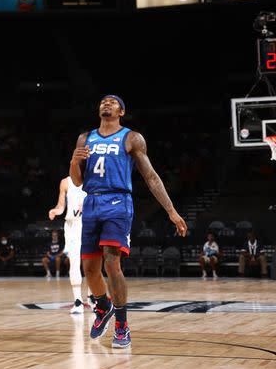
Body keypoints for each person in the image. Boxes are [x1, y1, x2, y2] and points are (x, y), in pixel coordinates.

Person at [70, 95, 187, 349]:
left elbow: (151, 177)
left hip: (118, 202)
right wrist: (73, 161)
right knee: (89, 269)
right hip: (91, 202)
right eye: (103, 101)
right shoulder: (84, 138)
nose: (106, 104)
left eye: (113, 102)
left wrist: (171, 211)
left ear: (122, 111)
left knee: (112, 262)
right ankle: (103, 306)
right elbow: (77, 181)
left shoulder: (131, 138)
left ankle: (122, 324)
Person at [48, 176, 87, 313]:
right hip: (72, 225)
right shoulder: (65, 182)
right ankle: (78, 301)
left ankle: (94, 297)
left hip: (89, 223)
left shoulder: (93, 177)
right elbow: (61, 206)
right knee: (74, 261)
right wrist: (56, 211)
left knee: (92, 262)